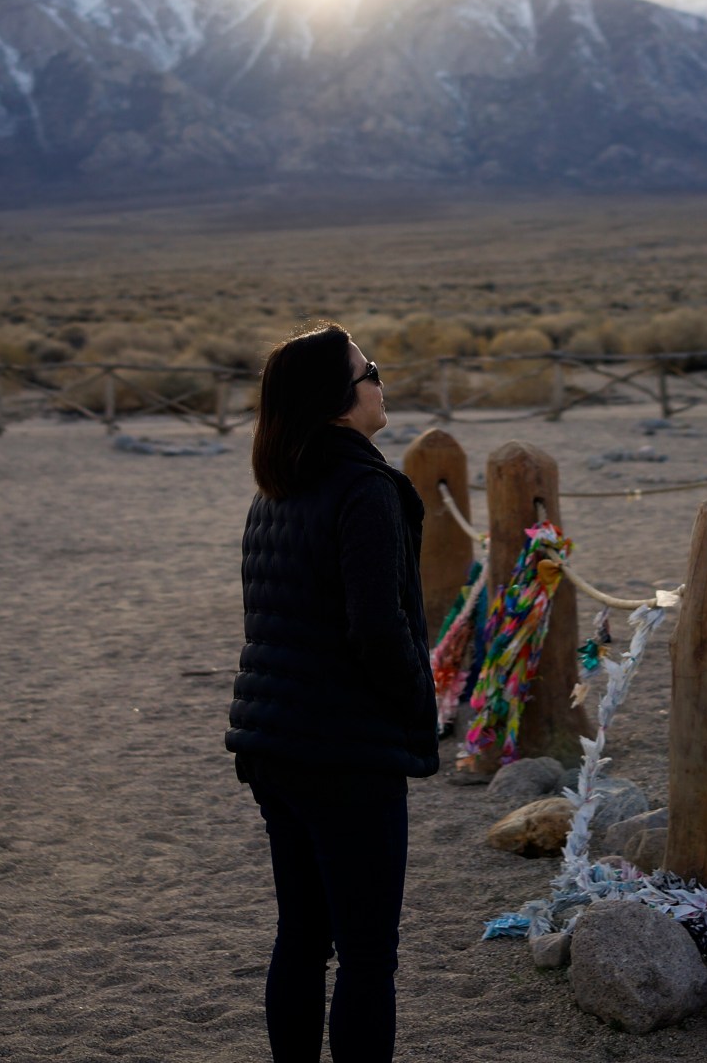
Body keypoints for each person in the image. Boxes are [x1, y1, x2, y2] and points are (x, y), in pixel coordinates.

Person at [225, 322, 437, 1062]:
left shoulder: (275, 488)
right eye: (370, 369)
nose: (382, 380)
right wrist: (417, 705)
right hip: (345, 752)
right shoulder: (364, 488)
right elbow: (378, 628)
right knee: (368, 956)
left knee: (303, 939)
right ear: (338, 399)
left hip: (273, 743)